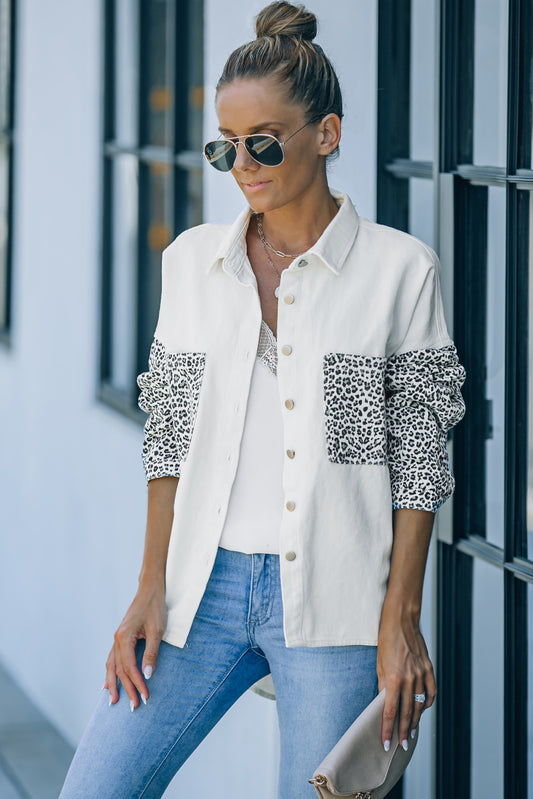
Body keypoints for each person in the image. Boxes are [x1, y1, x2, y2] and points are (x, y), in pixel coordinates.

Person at [59, 2, 466, 797]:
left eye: (264, 140)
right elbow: (167, 432)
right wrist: (148, 586)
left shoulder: (397, 273)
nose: (243, 163)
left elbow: (417, 454)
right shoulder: (191, 265)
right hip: (196, 595)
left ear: (327, 133)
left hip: (335, 601)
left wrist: (399, 613)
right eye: (226, 145)